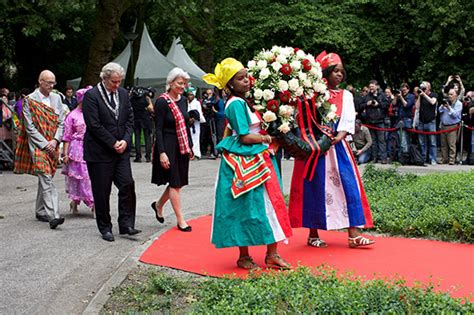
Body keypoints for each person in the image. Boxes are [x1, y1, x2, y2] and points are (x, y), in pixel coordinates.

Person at [203, 58, 292, 270]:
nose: (246, 81)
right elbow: (243, 136)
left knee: (262, 204)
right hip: (248, 157)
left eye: (246, 77)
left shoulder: (242, 102)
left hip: (254, 157)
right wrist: (268, 139)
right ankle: (260, 255)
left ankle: (268, 254)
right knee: (254, 205)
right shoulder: (236, 104)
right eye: (240, 79)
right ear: (230, 85)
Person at [289, 52, 374, 249]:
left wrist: (338, 137)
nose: (339, 75)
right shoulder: (312, 95)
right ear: (325, 73)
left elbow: (347, 120)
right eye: (335, 71)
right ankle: (313, 234)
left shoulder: (346, 95)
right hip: (316, 148)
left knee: (348, 186)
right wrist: (317, 141)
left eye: (341, 72)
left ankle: (354, 234)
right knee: (315, 187)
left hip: (338, 148)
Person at [83, 62, 140, 242]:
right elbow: (93, 125)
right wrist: (112, 142)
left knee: (127, 184)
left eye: (119, 81)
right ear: (104, 78)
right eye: (114, 82)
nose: (117, 85)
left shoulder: (123, 94)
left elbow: (130, 118)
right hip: (100, 152)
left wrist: (125, 139)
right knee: (102, 191)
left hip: (121, 150)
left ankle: (126, 224)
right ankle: (105, 227)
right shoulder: (91, 96)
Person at [14, 70, 66, 229]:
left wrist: (55, 140)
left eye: (53, 82)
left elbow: (61, 122)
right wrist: (45, 144)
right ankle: (54, 215)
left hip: (53, 143)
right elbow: (29, 127)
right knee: (46, 176)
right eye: (49, 82)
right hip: (38, 145)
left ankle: (40, 210)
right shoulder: (29, 100)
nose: (52, 86)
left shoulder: (57, 98)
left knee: (46, 176)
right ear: (40, 82)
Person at [151, 67, 194, 232]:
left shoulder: (183, 100)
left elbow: (185, 124)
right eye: (180, 83)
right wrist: (161, 152)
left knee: (178, 182)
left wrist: (190, 145)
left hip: (181, 145)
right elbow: (158, 129)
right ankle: (181, 220)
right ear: (170, 83)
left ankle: (158, 204)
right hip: (168, 145)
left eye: (184, 83)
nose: (183, 86)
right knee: (175, 183)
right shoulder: (162, 101)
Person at [61, 86, 95, 217]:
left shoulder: (92, 113)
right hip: (76, 149)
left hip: (91, 146)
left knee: (91, 177)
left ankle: (94, 204)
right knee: (78, 178)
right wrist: (65, 154)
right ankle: (75, 202)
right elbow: (67, 136)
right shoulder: (72, 115)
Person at [360, 80, 389, 163]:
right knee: (373, 141)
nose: (371, 88)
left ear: (376, 86)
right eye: (370, 87)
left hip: (380, 121)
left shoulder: (382, 95)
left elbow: (386, 105)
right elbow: (359, 106)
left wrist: (378, 104)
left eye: (372, 86)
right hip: (370, 122)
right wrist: (367, 104)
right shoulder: (367, 96)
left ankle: (383, 158)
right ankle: (374, 158)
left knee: (381, 140)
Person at [415, 81, 438, 165]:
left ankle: (433, 159)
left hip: (431, 121)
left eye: (424, 87)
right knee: (422, 142)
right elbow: (417, 107)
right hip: (422, 121)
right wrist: (419, 97)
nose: (423, 88)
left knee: (432, 142)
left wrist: (424, 95)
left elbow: (432, 102)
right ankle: (423, 158)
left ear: (429, 87)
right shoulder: (421, 96)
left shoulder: (434, 94)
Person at [438, 88, 462, 165]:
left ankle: (452, 160)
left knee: (452, 144)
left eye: (451, 94)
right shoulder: (446, 101)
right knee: (443, 144)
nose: (449, 96)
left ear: (456, 95)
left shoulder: (459, 104)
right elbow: (439, 111)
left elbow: (455, 115)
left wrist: (448, 107)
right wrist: (442, 106)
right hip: (443, 126)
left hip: (453, 126)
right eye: (449, 94)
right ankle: (444, 159)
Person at [130, 87, 153, 163]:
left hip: (136, 119)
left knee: (137, 137)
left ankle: (138, 156)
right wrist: (149, 101)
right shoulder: (145, 98)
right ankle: (148, 156)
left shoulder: (132, 99)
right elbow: (151, 109)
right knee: (147, 138)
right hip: (145, 119)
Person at [395, 83, 415, 159]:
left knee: (405, 139)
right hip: (399, 120)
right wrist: (396, 97)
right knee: (400, 139)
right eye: (402, 90)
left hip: (407, 120)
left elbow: (407, 105)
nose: (403, 91)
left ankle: (406, 155)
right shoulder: (399, 96)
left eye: (405, 90)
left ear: (408, 89)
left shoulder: (411, 96)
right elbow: (394, 104)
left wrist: (401, 98)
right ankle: (402, 155)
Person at [186, 86, 205, 159]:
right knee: (189, 138)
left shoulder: (197, 103)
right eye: (188, 94)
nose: (189, 96)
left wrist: (194, 118)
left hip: (195, 123)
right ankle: (190, 153)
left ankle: (196, 154)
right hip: (188, 123)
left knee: (196, 138)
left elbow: (199, 113)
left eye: (191, 94)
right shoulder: (186, 103)